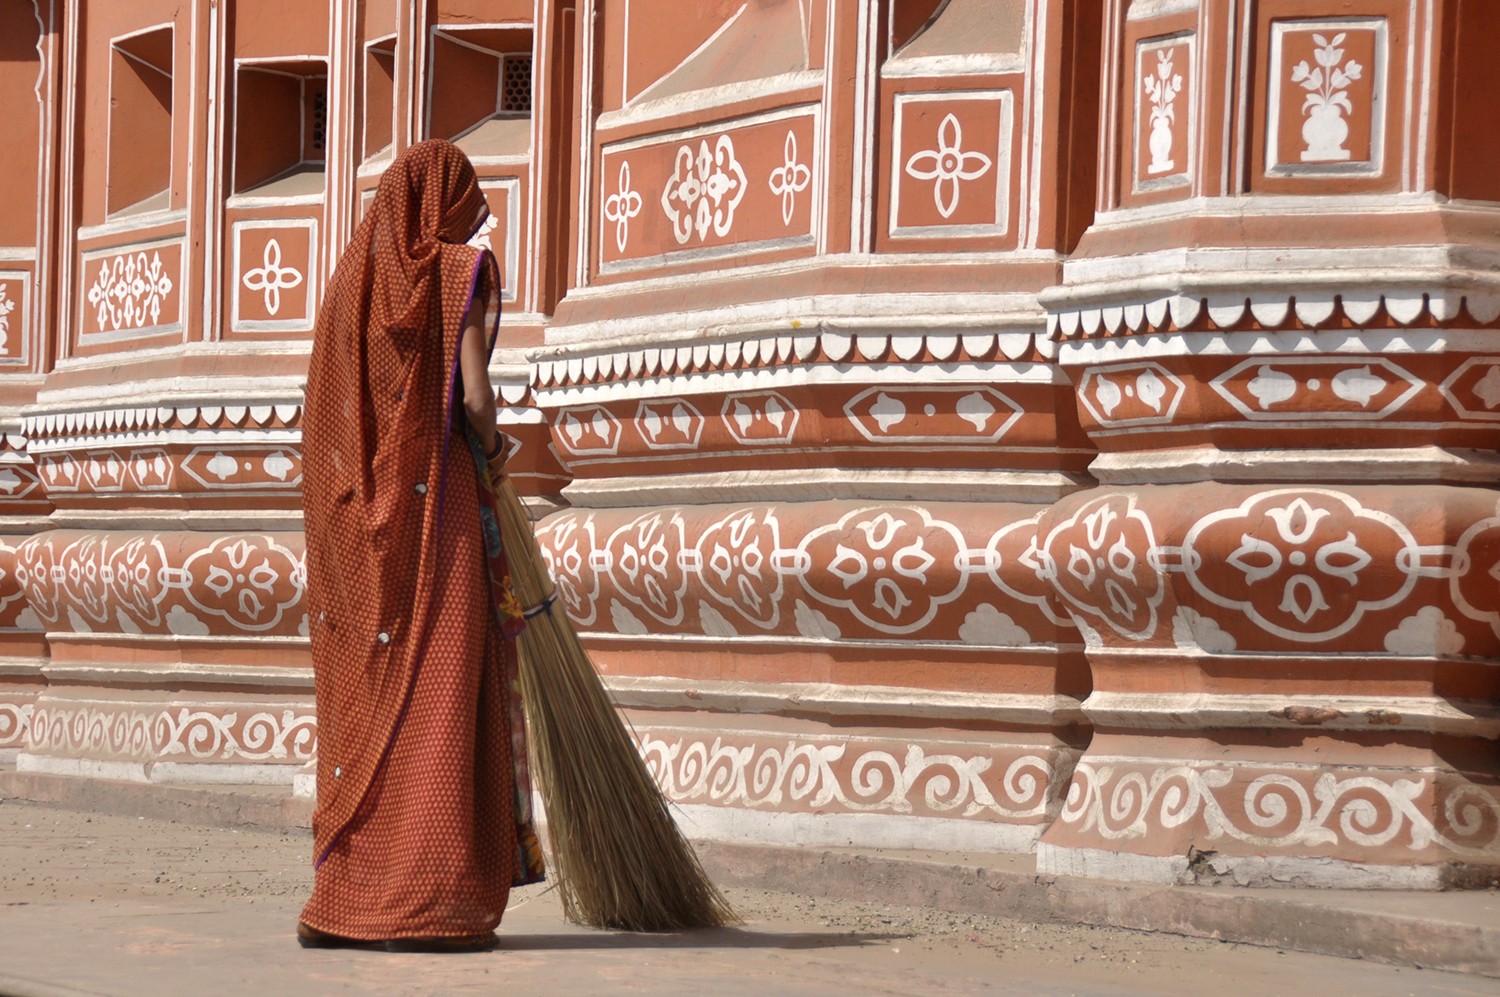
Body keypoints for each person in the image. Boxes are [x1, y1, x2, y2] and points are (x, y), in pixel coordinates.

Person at [295, 139, 544, 952]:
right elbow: (473, 398)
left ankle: (345, 900)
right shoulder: (454, 271)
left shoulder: (350, 284)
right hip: (438, 525)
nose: (475, 216)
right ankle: (428, 901)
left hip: (363, 535)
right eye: (467, 198)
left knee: (372, 699)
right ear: (443, 202)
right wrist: (497, 444)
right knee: (437, 693)